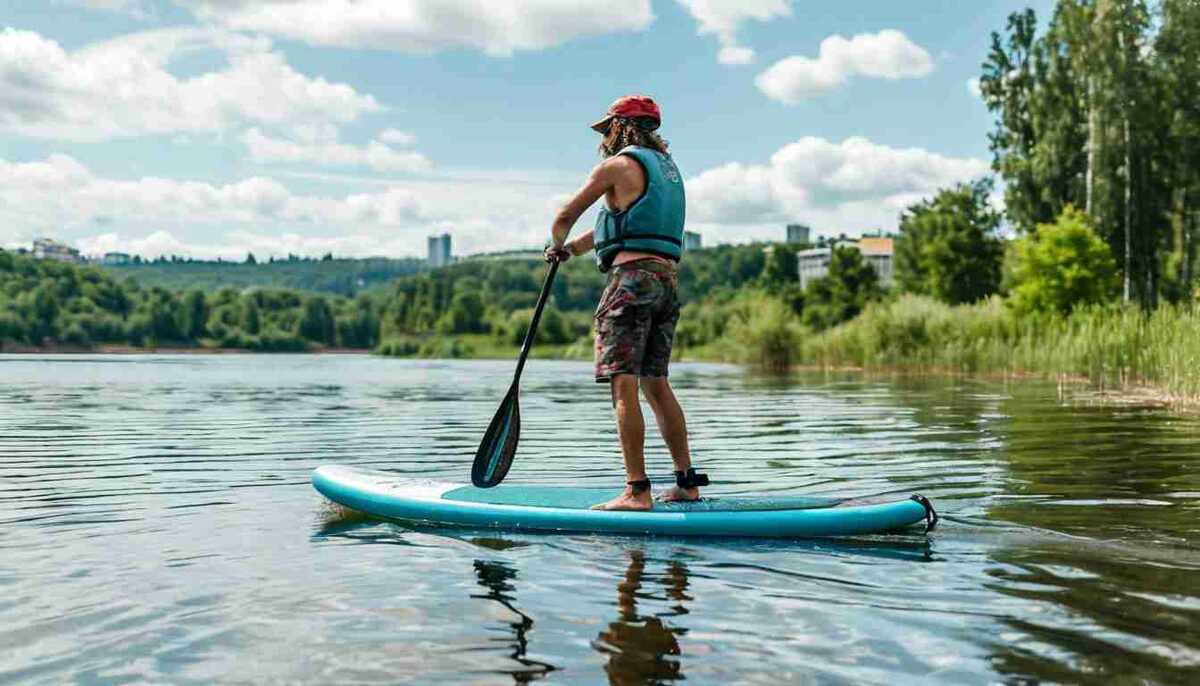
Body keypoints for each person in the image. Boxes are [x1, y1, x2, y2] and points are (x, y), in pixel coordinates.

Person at [543, 95, 708, 511]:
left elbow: (564, 216)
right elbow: (614, 228)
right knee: (656, 383)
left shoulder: (616, 166)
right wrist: (573, 251)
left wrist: (555, 244)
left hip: (630, 286)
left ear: (622, 127)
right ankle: (687, 483)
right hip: (665, 283)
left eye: (607, 130)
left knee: (623, 383)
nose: (604, 139)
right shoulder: (668, 174)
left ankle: (637, 491)